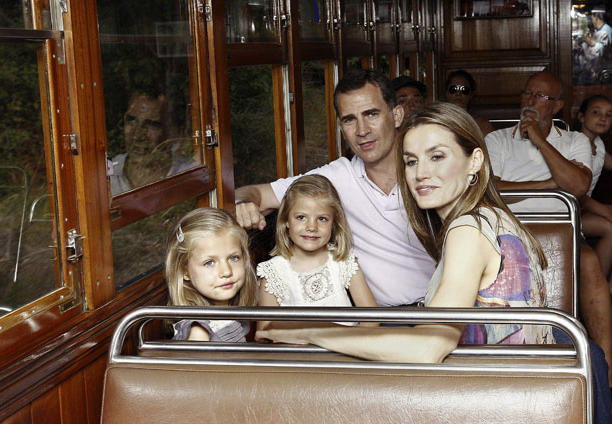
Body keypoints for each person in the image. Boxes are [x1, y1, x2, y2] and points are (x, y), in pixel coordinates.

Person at [256, 102, 553, 362]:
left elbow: (428, 348)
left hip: (497, 391)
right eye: (411, 161)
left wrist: (308, 332)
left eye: (437, 157)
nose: (420, 173)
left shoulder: (468, 231)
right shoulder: (493, 216)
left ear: (474, 160)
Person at [235, 70, 437, 308]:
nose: (362, 130)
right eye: (350, 120)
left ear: (397, 115)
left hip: (444, 307)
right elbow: (254, 193)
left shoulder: (429, 170)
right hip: (386, 318)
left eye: (371, 114)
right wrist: (241, 205)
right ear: (341, 128)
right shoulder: (336, 177)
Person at [484, 71, 612, 394]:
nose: (530, 102)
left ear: (556, 107)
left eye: (541, 97)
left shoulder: (574, 141)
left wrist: (540, 141)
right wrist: (548, 184)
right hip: (509, 233)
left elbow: (578, 186)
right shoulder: (497, 140)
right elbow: (491, 189)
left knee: (589, 262)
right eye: (527, 94)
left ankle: (606, 371)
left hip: (561, 230)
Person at [256, 175, 378, 331]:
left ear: (334, 223)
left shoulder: (343, 260)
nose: (312, 227)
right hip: (296, 347)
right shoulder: (274, 272)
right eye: (301, 217)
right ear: (286, 220)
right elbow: (265, 332)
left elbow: (372, 318)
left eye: (322, 219)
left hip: (347, 344)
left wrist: (353, 342)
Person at [165, 207, 257, 341]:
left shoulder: (229, 313)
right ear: (185, 271)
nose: (226, 271)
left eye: (233, 258)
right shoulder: (199, 332)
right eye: (209, 263)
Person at [110, 92, 195, 195]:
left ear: (173, 132)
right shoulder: (107, 176)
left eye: (152, 125)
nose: (137, 136)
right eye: (132, 121)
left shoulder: (190, 176)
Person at [577, 95, 612, 285]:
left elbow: (608, 162)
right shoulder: (574, 145)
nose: (603, 118)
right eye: (596, 112)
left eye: (609, 115)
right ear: (581, 117)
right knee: (610, 227)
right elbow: (576, 192)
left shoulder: (598, 143)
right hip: (569, 210)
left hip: (584, 208)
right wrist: (605, 211)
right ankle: (597, 285)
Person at [444, 70, 494, 136]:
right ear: (446, 92)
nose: (458, 93)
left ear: (471, 95)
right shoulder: (437, 122)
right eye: (453, 89)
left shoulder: (482, 125)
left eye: (464, 90)